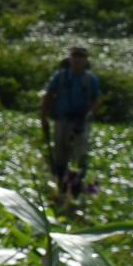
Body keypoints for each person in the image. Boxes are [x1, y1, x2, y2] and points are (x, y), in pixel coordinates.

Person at [40, 46, 102, 200]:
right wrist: (43, 116)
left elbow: (97, 99)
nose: (77, 60)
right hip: (62, 119)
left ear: (86, 60)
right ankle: (60, 185)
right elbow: (48, 95)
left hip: (80, 122)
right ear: (70, 59)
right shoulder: (60, 77)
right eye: (75, 56)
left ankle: (76, 189)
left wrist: (89, 114)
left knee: (78, 155)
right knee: (60, 153)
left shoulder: (90, 79)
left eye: (81, 57)